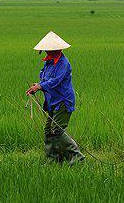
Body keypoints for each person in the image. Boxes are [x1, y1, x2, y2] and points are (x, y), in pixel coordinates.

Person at [26, 31, 85, 165]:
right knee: (48, 131)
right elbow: (47, 80)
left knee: (57, 130)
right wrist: (38, 85)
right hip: (52, 102)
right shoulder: (49, 63)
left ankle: (77, 157)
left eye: (49, 50)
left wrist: (40, 87)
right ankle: (53, 160)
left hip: (63, 102)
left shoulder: (63, 63)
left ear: (57, 49)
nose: (47, 52)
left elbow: (55, 81)